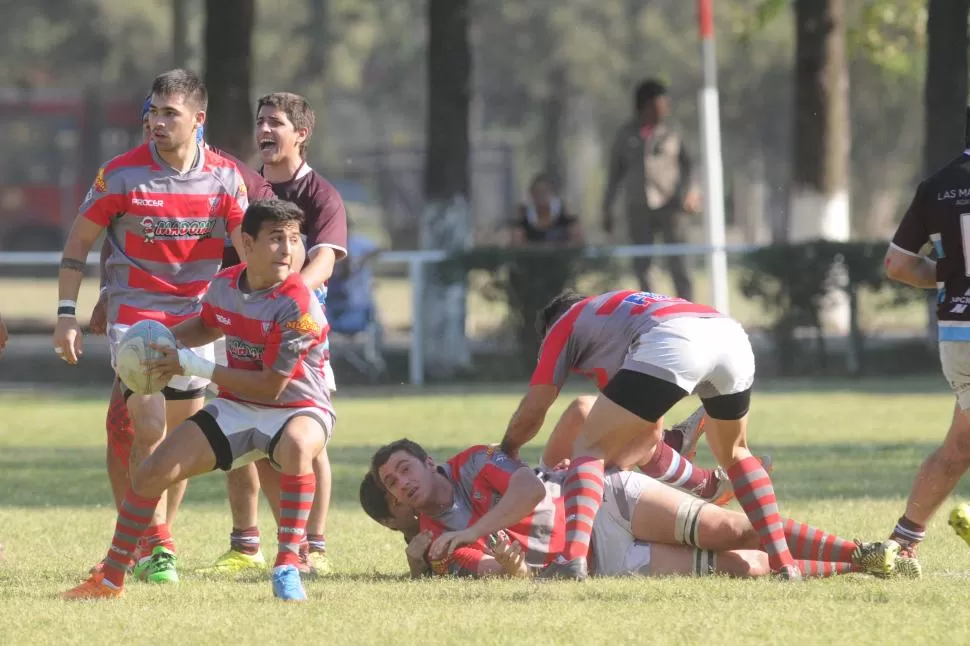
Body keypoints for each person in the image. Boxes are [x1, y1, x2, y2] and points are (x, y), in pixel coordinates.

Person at [61, 199, 334, 602]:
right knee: (153, 470)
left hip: (300, 409)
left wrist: (188, 364)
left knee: (295, 446)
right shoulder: (225, 285)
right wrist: (156, 343)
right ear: (247, 243)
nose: (288, 250)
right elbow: (208, 324)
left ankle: (289, 565)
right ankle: (110, 579)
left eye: (294, 240)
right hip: (238, 407)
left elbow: (272, 387)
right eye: (276, 239)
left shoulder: (298, 303)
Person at [52, 68, 249, 584]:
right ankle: (157, 541)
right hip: (135, 316)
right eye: (152, 111)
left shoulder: (227, 178)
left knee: (179, 439)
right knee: (149, 424)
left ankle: (147, 541)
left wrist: (263, 306)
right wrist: (67, 317)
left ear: (198, 119)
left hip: (199, 321)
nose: (155, 122)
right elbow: (78, 246)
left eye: (169, 114)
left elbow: (248, 252)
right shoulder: (119, 174)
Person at [495, 288, 806, 581]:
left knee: (589, 447)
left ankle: (571, 560)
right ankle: (784, 562)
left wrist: (507, 450)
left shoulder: (565, 324)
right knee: (737, 452)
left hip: (675, 338)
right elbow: (647, 428)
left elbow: (534, 408)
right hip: (730, 335)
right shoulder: (615, 319)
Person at [364, 440, 894, 580]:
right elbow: (498, 574)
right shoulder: (440, 540)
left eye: (405, 469)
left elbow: (526, 490)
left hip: (604, 500)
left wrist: (477, 528)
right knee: (744, 567)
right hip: (601, 558)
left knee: (732, 528)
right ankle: (855, 565)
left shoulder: (473, 463)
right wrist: (512, 567)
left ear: (428, 462)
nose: (402, 483)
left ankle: (865, 550)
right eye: (392, 484)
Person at [208, 92, 347, 576]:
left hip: (299, 337)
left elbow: (325, 260)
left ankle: (314, 545)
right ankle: (246, 544)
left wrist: (282, 301)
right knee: (237, 417)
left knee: (306, 439)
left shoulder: (321, 195)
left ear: (301, 134)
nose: (264, 130)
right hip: (244, 326)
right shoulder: (248, 192)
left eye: (276, 123)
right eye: (261, 121)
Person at [877, 148, 970, 578]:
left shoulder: (937, 186)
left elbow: (897, 264)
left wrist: (949, 273)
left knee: (960, 444)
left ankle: (901, 543)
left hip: (958, 335)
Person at [602, 79, 700, 300]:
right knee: (643, 264)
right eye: (659, 104)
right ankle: (652, 310)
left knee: (679, 261)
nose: (665, 109)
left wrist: (692, 191)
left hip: (671, 205)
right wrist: (607, 208)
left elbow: (691, 164)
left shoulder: (673, 132)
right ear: (645, 106)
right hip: (638, 206)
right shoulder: (626, 134)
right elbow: (614, 173)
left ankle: (688, 309)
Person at [510, 172, 583, 247]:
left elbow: (578, 236)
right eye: (537, 192)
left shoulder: (563, 210)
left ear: (551, 193)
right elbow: (515, 239)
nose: (541, 197)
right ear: (532, 194)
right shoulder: (524, 212)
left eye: (544, 192)